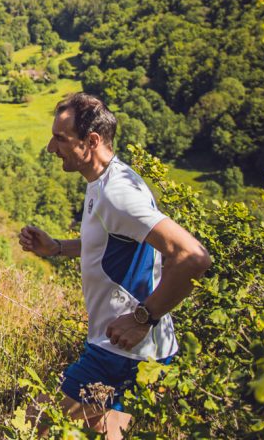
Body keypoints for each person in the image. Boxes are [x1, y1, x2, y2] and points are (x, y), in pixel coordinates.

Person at [19, 93, 212, 439]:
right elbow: (109, 245)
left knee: (34, 425)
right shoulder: (104, 182)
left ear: (91, 141)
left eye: (60, 139)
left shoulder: (118, 193)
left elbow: (193, 257)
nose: (51, 147)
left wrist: (142, 319)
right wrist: (57, 248)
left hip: (122, 352)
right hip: (125, 349)